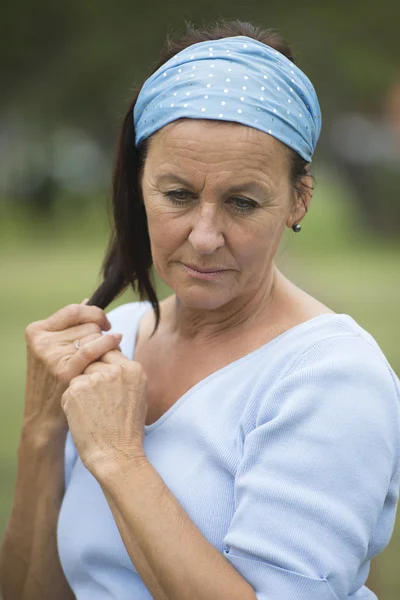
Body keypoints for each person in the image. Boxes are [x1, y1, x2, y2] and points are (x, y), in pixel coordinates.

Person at [1, 20, 399, 600]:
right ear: (141, 184)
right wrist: (41, 431)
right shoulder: (112, 343)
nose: (205, 236)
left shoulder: (330, 378)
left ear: (298, 199)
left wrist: (118, 457)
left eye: (242, 201)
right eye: (178, 195)